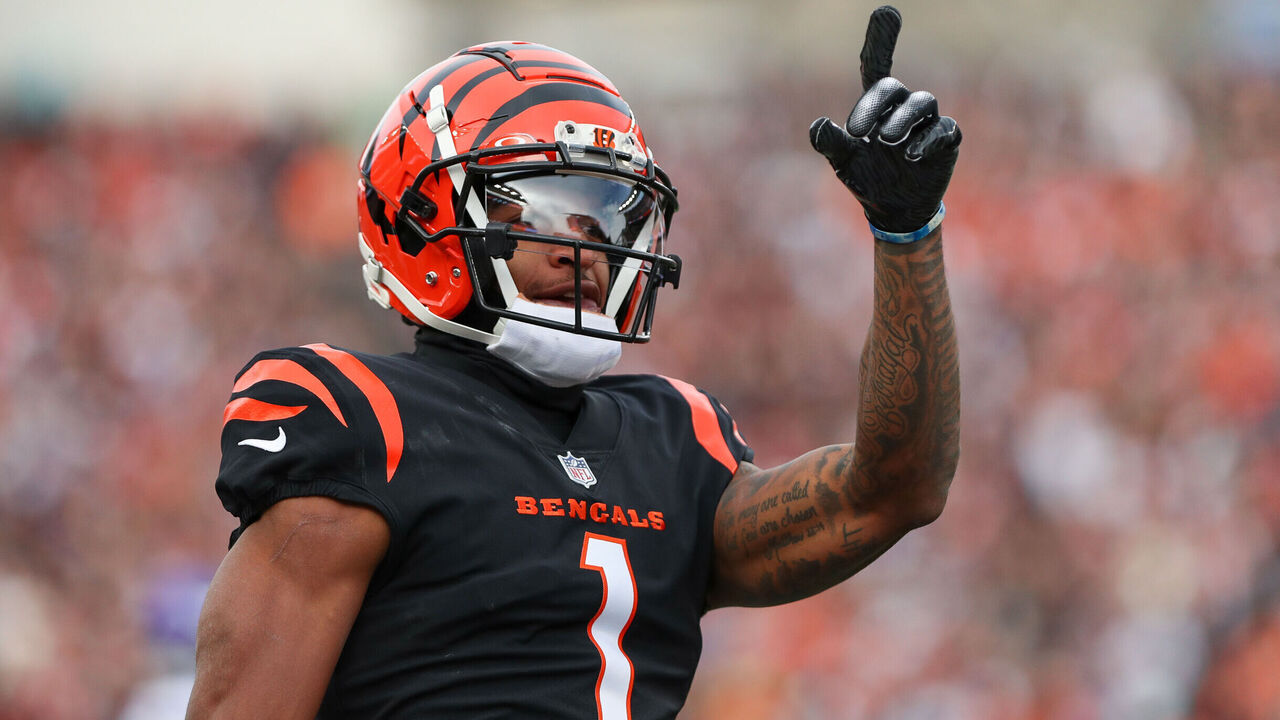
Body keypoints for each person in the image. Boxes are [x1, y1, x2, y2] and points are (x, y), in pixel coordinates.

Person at [186, 6, 961, 719]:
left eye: (608, 210)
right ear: (424, 218)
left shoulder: (673, 438)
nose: (584, 244)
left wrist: (907, 230)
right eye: (547, 205)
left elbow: (892, 490)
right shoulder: (364, 419)